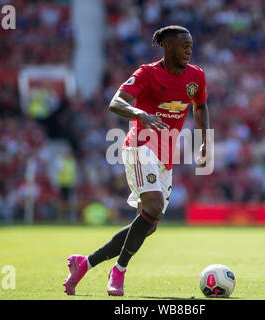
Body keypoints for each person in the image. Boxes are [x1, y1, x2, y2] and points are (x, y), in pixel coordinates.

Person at [63, 25, 210, 296]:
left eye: (191, 45)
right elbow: (116, 102)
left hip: (166, 156)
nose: (190, 49)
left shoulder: (196, 76)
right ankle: (118, 271)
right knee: (152, 207)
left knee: (147, 225)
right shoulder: (147, 73)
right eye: (184, 45)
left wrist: (204, 142)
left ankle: (85, 263)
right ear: (167, 46)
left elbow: (200, 107)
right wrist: (140, 113)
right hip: (140, 146)